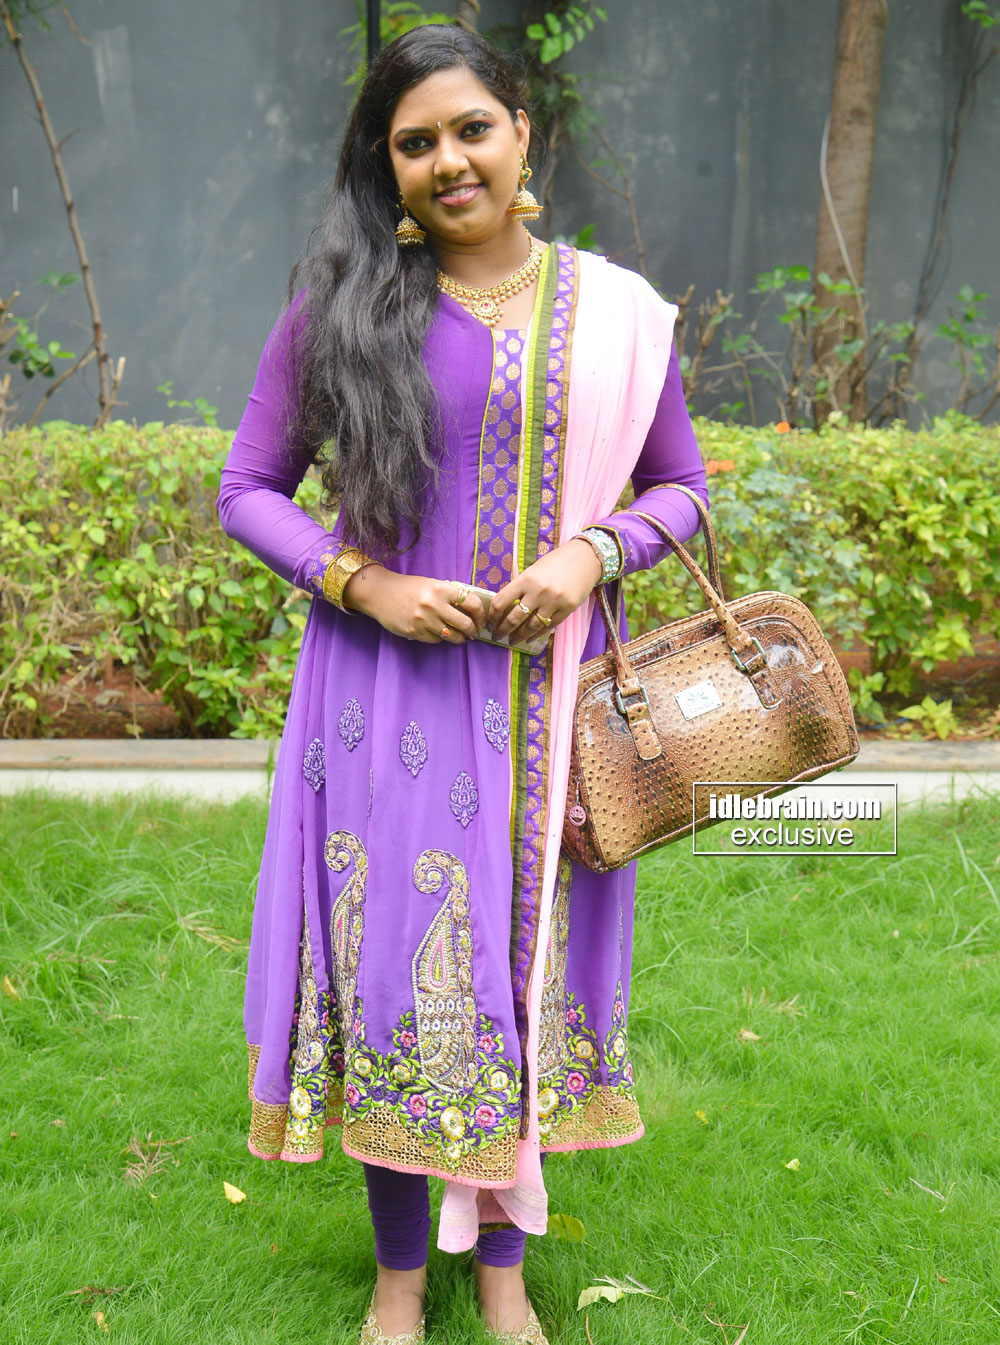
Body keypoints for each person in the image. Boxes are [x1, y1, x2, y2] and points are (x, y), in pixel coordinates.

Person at [217, 23, 708, 1345]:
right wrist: (361, 582)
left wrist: (591, 552)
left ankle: (500, 1266)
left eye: (471, 128)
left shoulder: (616, 313)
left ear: (521, 132)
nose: (449, 160)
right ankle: (396, 1275)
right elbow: (248, 489)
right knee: (400, 977)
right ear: (387, 165)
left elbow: (681, 488)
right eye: (415, 142)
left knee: (520, 970)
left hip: (552, 701)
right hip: (388, 698)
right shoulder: (346, 309)